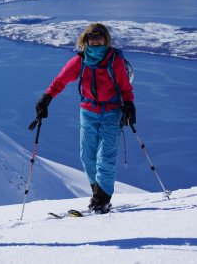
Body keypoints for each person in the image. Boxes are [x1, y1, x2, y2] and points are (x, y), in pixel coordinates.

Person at [35, 23, 135, 214]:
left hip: (112, 113)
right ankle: (98, 194)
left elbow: (125, 88)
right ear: (85, 39)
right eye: (91, 36)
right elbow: (60, 81)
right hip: (88, 112)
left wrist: (129, 106)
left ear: (106, 38)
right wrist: (46, 99)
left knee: (105, 157)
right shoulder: (80, 61)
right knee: (87, 158)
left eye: (98, 36)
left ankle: (101, 200)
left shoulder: (114, 61)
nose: (95, 39)